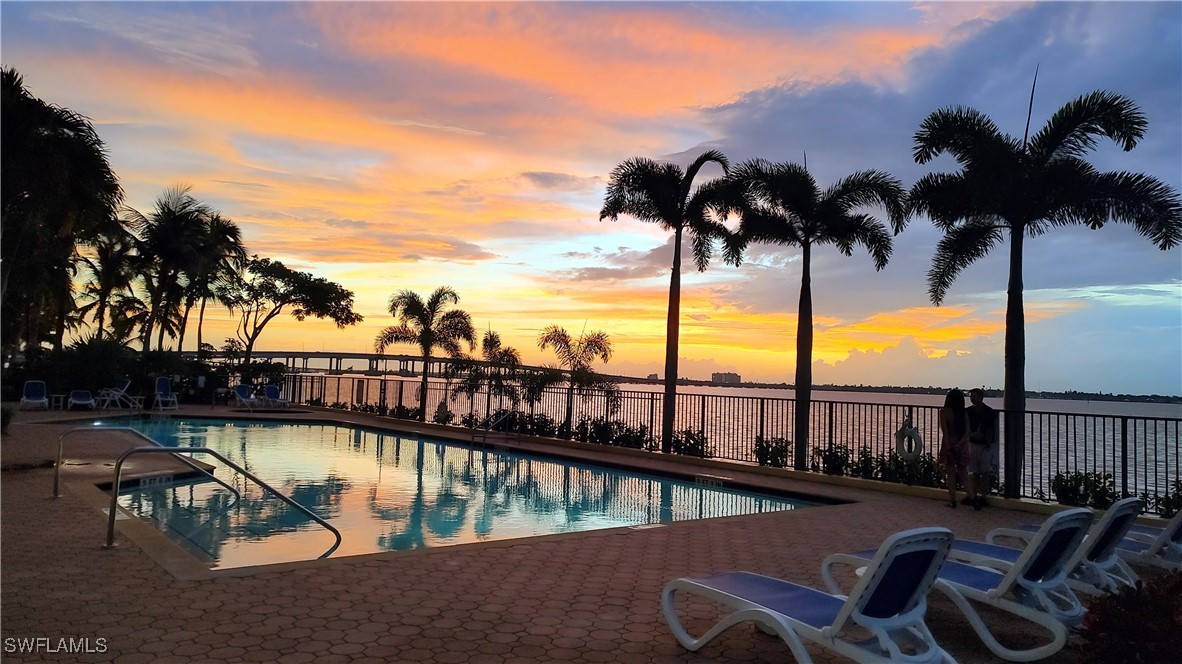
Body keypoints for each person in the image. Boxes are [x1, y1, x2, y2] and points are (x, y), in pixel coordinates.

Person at [965, 388, 997, 510]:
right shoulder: (969, 411)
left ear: (981, 397)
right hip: (974, 444)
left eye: (974, 396)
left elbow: (990, 429)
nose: (972, 398)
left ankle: (983, 496)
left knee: (984, 472)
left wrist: (988, 442)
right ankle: (974, 495)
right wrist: (973, 435)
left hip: (984, 445)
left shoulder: (988, 412)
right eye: (971, 396)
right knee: (975, 472)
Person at [938, 388, 969, 508]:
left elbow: (945, 432)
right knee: (963, 473)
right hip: (962, 444)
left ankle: (952, 501)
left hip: (949, 444)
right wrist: (959, 444)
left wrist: (949, 447)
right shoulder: (963, 413)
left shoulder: (944, 412)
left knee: (950, 473)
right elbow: (967, 432)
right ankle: (972, 497)